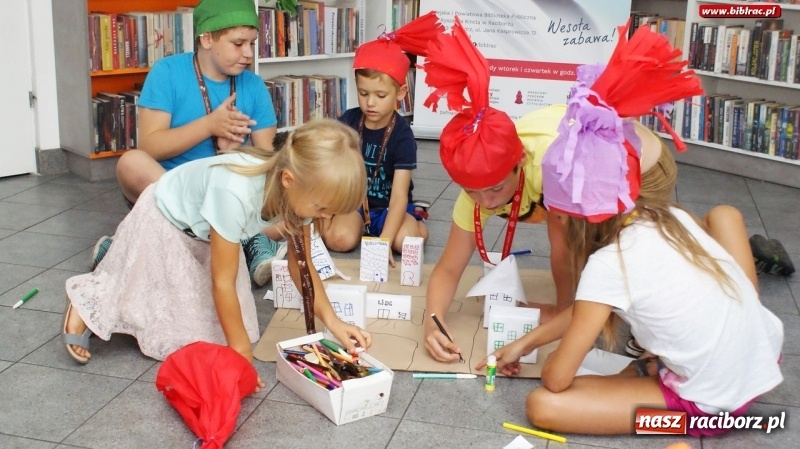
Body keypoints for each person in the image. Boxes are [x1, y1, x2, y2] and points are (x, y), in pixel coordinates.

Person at [475, 27, 783, 435]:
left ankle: (671, 401)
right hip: (759, 362)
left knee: (544, 405)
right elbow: (586, 310)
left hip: (716, 402)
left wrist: (548, 360)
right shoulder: (672, 219)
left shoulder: (608, 264)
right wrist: (526, 342)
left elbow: (557, 379)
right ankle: (652, 372)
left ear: (568, 216)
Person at [419, 18, 705, 362]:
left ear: (519, 162)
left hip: (639, 169)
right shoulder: (480, 181)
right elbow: (450, 267)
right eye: (472, 192)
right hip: (587, 165)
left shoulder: (547, 170)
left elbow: (563, 248)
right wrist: (432, 322)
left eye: (494, 189)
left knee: (620, 250)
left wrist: (562, 311)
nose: (486, 202)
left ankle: (674, 302)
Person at [63, 120, 372, 383]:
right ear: (289, 181)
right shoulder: (234, 189)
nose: (324, 219)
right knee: (151, 312)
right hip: (164, 222)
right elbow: (222, 282)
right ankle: (86, 300)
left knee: (214, 334)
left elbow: (301, 268)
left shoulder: (304, 198)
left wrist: (335, 324)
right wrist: (241, 355)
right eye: (323, 209)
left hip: (209, 238)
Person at [94, 0, 284, 287]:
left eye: (252, 44)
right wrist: (209, 125)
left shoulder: (254, 86)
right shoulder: (167, 72)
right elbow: (151, 146)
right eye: (238, 43)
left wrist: (231, 154)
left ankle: (127, 245)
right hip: (172, 189)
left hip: (228, 191)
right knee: (130, 163)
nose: (247, 53)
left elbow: (268, 161)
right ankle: (248, 242)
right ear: (206, 38)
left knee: (293, 210)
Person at [318, 12, 443, 261]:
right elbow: (329, 168)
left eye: (380, 95)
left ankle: (417, 222)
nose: (370, 103)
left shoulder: (402, 135)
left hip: (390, 208)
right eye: (363, 93)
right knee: (339, 240)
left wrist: (384, 241)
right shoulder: (349, 121)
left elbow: (398, 195)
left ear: (400, 92)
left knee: (404, 243)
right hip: (354, 206)